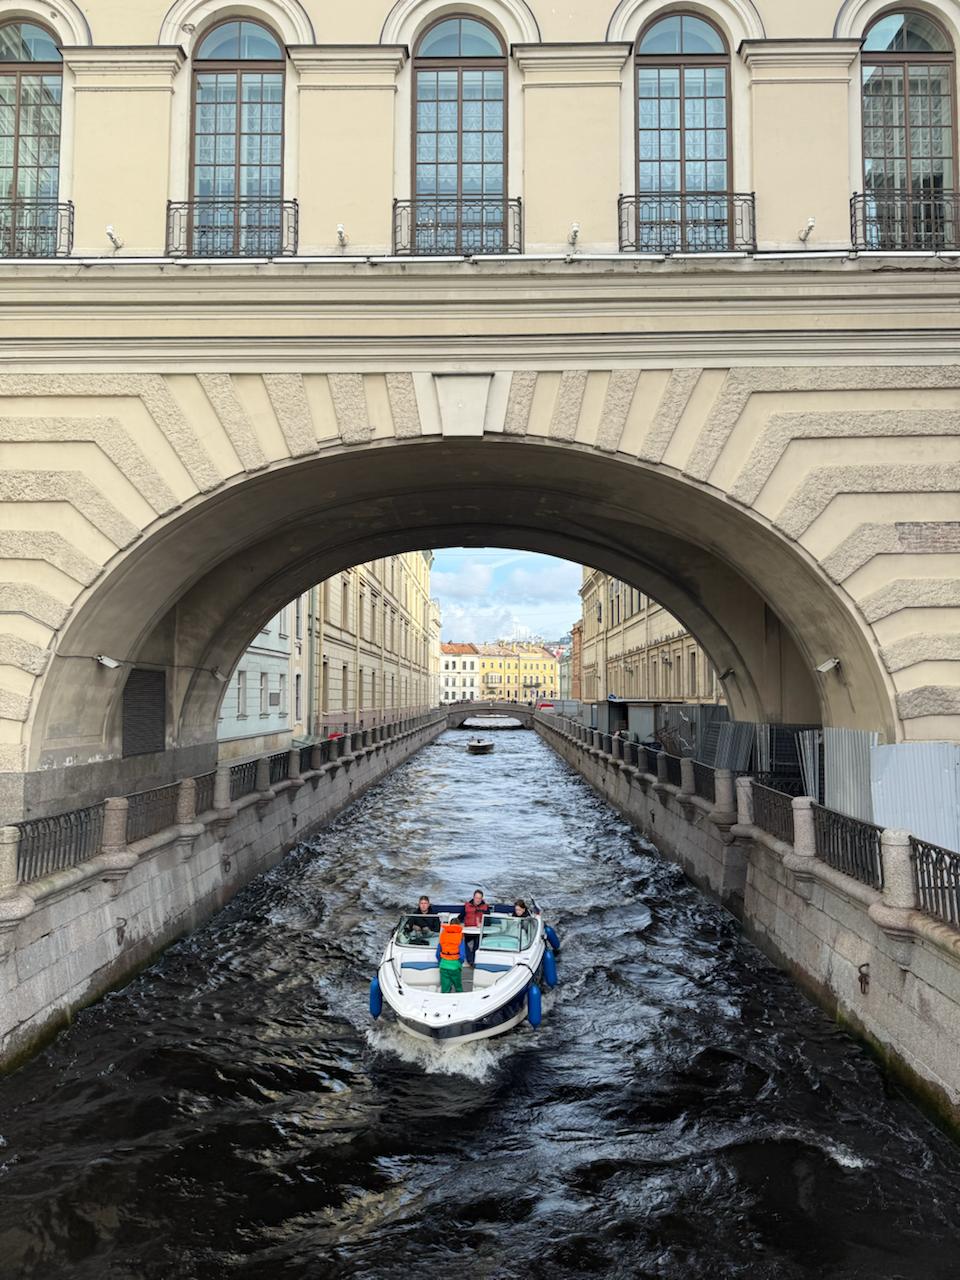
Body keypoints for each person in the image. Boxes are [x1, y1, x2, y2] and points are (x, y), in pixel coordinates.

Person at [459, 889, 490, 965]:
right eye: (476, 898)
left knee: (477, 942)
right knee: (462, 941)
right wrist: (461, 923)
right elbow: (459, 918)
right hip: (467, 931)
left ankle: (474, 960)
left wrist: (482, 923)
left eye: (479, 898)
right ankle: (470, 960)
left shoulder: (486, 908)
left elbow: (489, 922)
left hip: (479, 932)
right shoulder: (466, 906)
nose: (478, 900)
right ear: (473, 897)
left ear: (482, 899)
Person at [436, 921, 467, 993]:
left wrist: (441, 962)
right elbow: (462, 955)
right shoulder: (460, 936)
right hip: (455, 966)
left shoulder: (443, 935)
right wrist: (459, 963)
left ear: (450, 925)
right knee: (458, 988)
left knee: (445, 989)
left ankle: (446, 1002)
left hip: (443, 965)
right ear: (459, 925)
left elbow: (437, 953)